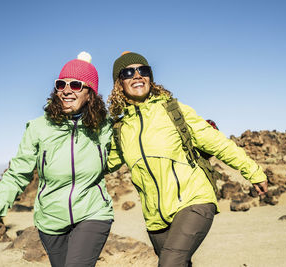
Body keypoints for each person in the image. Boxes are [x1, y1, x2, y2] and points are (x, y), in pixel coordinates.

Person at [107, 51, 268, 267]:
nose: (137, 75)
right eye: (128, 72)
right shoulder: (120, 128)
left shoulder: (173, 111)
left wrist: (253, 171)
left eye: (143, 70)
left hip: (194, 200)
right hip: (156, 218)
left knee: (170, 263)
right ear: (119, 83)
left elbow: (217, 142)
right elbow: (102, 164)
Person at [0, 52, 114, 267]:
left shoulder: (104, 127)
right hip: (50, 220)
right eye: (61, 84)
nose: (67, 90)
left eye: (76, 85)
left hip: (93, 212)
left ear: (90, 94)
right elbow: (17, 174)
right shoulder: (39, 128)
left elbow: (120, 154)